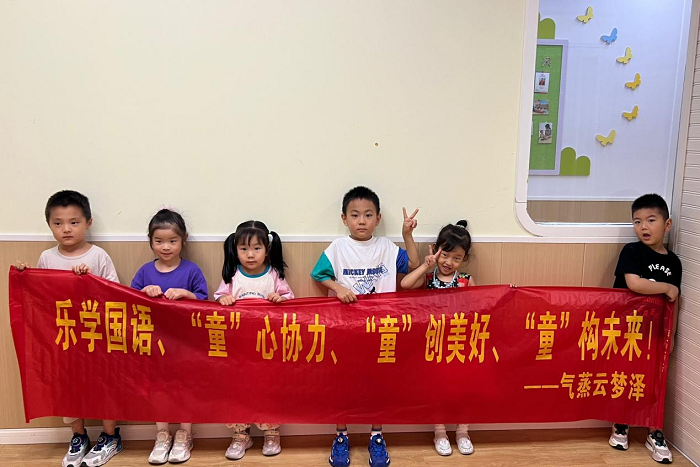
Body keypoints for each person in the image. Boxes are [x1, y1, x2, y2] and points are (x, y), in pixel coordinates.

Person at [310, 186, 419, 467]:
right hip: (344, 330)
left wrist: (407, 235)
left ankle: (377, 436)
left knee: (379, 384)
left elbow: (413, 264)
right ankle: (341, 436)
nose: (362, 221)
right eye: (355, 215)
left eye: (368, 215)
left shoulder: (386, 247)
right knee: (341, 384)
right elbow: (318, 273)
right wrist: (338, 288)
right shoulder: (337, 248)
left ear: (378, 218)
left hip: (382, 330)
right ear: (344, 218)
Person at [16, 190, 122, 467]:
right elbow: (41, 297)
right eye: (58, 223)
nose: (66, 229)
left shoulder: (98, 256)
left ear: (88, 223)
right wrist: (27, 277)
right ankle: (78, 436)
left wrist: (89, 281)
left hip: (97, 336)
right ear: (49, 225)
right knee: (68, 388)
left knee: (103, 385)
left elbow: (115, 294)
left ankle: (110, 436)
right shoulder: (47, 257)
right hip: (64, 338)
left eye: (74, 222)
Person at [607, 194, 682, 464]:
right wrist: (666, 287)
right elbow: (634, 283)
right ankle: (621, 423)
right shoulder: (632, 251)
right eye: (637, 221)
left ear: (667, 224)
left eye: (651, 220)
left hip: (656, 332)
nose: (643, 227)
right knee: (625, 376)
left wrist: (672, 335)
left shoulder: (674, 262)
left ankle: (655, 431)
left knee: (655, 382)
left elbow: (675, 302)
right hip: (626, 330)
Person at [130, 208, 208, 464]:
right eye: (159, 241)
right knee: (158, 389)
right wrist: (145, 292)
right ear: (150, 241)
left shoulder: (192, 270)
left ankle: (185, 434)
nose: (165, 247)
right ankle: (162, 434)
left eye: (172, 241)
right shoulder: (145, 272)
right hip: (154, 343)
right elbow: (128, 301)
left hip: (185, 343)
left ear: (183, 240)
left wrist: (186, 294)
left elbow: (206, 303)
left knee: (185, 387)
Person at [214, 220, 294, 460]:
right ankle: (240, 435)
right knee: (238, 390)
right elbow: (218, 298)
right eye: (244, 249)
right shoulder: (232, 276)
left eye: (256, 248)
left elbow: (290, 300)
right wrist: (223, 300)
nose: (250, 254)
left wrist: (280, 298)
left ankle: (271, 432)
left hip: (268, 347)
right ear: (235, 249)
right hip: (239, 349)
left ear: (267, 250)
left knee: (268, 388)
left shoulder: (274, 275)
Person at [401, 220, 475, 456]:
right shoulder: (428, 278)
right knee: (437, 389)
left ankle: (462, 431)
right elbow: (405, 284)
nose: (449, 262)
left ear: (464, 259)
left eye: (456, 258)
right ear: (435, 249)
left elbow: (480, 308)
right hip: (433, 345)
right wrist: (426, 265)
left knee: (464, 389)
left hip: (460, 344)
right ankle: (440, 432)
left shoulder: (466, 280)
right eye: (445, 255)